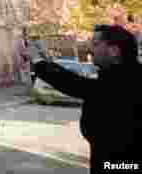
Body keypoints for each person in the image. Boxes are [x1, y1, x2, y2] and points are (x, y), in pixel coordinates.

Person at [32, 24, 142, 173]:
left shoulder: (124, 83)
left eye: (96, 44)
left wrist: (38, 63)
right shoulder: (121, 77)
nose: (91, 49)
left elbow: (76, 84)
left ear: (114, 51)